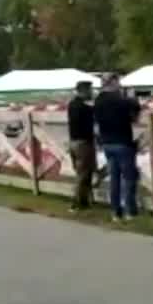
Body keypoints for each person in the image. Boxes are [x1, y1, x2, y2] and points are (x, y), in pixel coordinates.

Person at [94, 74, 143, 221]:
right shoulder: (120, 99)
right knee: (129, 178)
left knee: (114, 179)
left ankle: (116, 212)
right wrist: (133, 97)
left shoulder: (98, 100)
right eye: (118, 82)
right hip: (122, 142)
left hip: (107, 143)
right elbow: (135, 109)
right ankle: (130, 211)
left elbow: (96, 122)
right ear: (114, 82)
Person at [66, 80, 97, 212]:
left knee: (84, 172)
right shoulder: (83, 108)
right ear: (83, 91)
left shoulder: (72, 105)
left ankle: (84, 202)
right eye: (89, 90)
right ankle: (75, 203)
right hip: (83, 143)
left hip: (73, 142)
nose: (91, 92)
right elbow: (93, 112)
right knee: (83, 173)